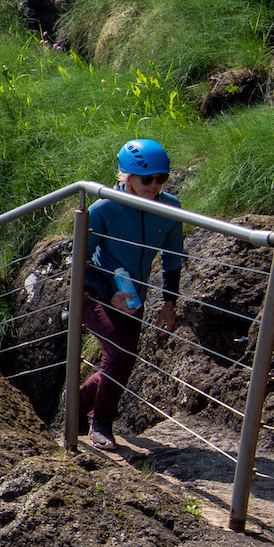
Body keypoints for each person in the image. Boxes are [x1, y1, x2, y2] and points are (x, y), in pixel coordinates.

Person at [77, 139, 186, 453]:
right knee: (121, 355)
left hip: (134, 297)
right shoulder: (104, 207)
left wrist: (169, 302)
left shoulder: (170, 207)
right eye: (146, 179)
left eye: (161, 179)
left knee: (124, 359)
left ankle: (80, 400)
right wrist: (110, 293)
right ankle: (101, 422)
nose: (154, 186)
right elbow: (80, 260)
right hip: (95, 292)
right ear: (126, 176)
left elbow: (173, 257)